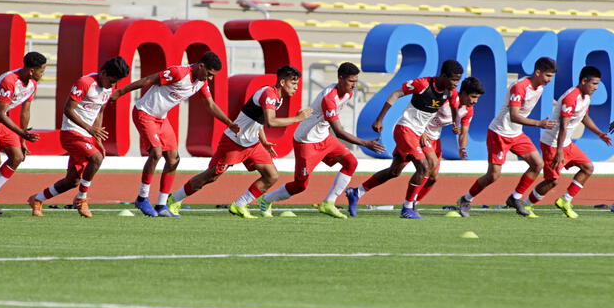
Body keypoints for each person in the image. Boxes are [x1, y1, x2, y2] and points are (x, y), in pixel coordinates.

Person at [166, 65, 312, 219]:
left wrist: (264, 140)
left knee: (271, 175)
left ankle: (240, 205)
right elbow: (271, 121)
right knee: (211, 176)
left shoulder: (277, 97)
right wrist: (298, 119)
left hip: (252, 143)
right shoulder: (269, 94)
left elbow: (258, 120)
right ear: (282, 82)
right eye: (293, 83)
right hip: (234, 142)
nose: (296, 87)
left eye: (297, 84)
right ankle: (174, 199)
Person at [111, 51, 238, 217]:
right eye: (209, 74)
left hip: (161, 119)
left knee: (173, 160)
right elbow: (148, 80)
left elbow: (210, 105)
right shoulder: (179, 72)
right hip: (144, 113)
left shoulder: (201, 82)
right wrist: (121, 92)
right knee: (156, 153)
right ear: (201, 66)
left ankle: (162, 205)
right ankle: (142, 198)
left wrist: (229, 123)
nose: (210, 78)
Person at [256, 62, 385, 219]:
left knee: (351, 162)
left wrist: (327, 131)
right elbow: (339, 131)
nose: (354, 85)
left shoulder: (348, 93)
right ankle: (265, 200)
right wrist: (366, 143)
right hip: (306, 141)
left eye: (356, 81)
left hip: (325, 138)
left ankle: (328, 203)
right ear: (340, 78)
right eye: (351, 81)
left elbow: (330, 121)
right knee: (300, 185)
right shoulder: (329, 98)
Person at [345, 60, 464, 219]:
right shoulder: (422, 84)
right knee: (424, 166)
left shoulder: (451, 92)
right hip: (405, 129)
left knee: (394, 172)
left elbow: (455, 109)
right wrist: (380, 119)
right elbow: (396, 93)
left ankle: (356, 192)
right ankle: (408, 208)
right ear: (443, 76)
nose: (456, 83)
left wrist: (456, 124)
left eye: (458, 80)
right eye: (454, 79)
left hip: (418, 133)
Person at [27, 57, 130, 217]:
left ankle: (37, 199)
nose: (112, 85)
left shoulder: (108, 89)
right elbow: (68, 109)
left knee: (72, 181)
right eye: (111, 80)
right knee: (96, 158)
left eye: (115, 82)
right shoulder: (85, 82)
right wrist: (89, 129)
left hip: (87, 135)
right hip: (71, 132)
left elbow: (99, 111)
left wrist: (98, 139)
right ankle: (81, 199)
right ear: (103, 73)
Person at [456, 57, 557, 217]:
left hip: (516, 134)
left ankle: (515, 198)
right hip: (500, 133)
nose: (549, 80)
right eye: (547, 76)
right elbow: (514, 116)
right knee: (493, 175)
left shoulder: (540, 89)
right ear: (538, 72)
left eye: (551, 76)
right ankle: (466, 199)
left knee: (538, 164)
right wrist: (539, 124)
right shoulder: (520, 87)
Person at [524, 66, 611, 218]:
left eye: (597, 84)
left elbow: (584, 117)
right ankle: (526, 205)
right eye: (594, 84)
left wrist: (599, 133)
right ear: (584, 81)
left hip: (565, 143)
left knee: (588, 168)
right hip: (552, 143)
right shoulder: (571, 97)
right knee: (552, 181)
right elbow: (563, 125)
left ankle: (565, 200)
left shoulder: (586, 97)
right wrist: (559, 152)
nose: (596, 88)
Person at [0, 52, 46, 217]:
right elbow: (0, 112)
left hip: (1, 121)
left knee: (17, 157)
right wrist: (21, 132)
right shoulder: (9, 80)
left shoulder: (32, 84)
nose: (42, 74)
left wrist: (22, 139)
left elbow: (25, 111)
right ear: (31, 71)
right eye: (41, 71)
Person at [413, 77, 485, 209]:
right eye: (473, 97)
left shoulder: (468, 110)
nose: (475, 101)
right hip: (420, 133)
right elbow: (423, 110)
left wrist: (462, 148)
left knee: (433, 177)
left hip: (435, 138)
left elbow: (464, 132)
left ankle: (414, 203)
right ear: (463, 93)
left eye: (478, 98)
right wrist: (421, 130)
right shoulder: (447, 98)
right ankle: (409, 203)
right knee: (430, 165)